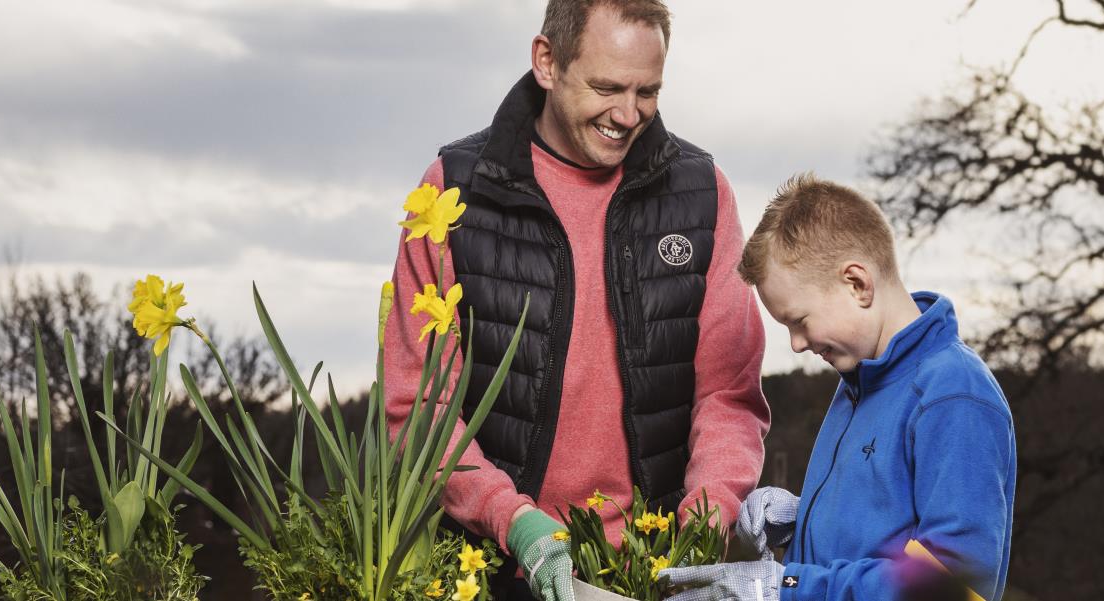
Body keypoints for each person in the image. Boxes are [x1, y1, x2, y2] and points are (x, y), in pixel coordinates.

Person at [383, 1, 770, 599]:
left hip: (654, 570)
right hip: (491, 569)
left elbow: (728, 392)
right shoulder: (453, 191)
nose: (627, 114)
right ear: (546, 61)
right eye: (606, 87)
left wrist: (707, 519)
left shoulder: (701, 193)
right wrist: (512, 521)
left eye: (648, 91)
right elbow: (417, 405)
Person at [660, 174, 1016, 601]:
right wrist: (806, 515)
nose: (796, 344)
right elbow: (885, 529)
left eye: (800, 321)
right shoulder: (857, 382)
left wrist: (787, 588)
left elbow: (953, 585)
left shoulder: (954, 396)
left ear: (857, 284)